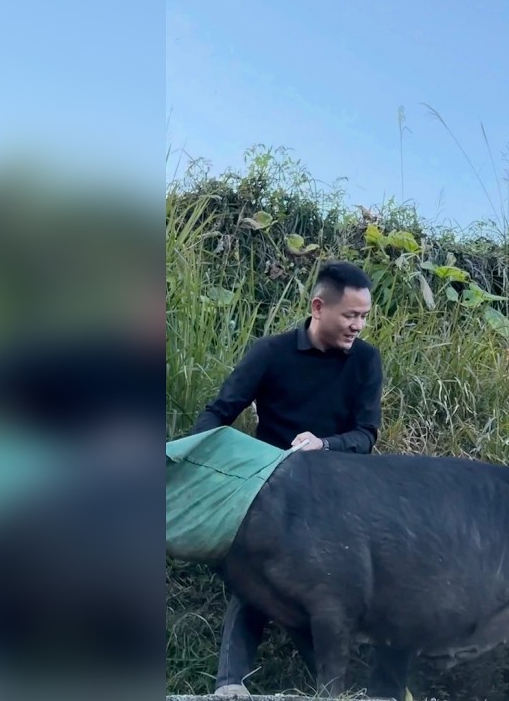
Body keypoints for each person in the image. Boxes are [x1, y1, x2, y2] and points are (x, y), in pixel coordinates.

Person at [188, 260, 384, 697]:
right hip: (268, 492)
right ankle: (230, 686)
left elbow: (365, 436)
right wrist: (190, 461)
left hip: (338, 499)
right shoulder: (270, 353)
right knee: (255, 574)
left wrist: (324, 445)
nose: (358, 325)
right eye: (351, 315)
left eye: (364, 316)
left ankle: (336, 691)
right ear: (318, 306)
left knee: (328, 596)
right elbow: (219, 412)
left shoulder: (366, 361)